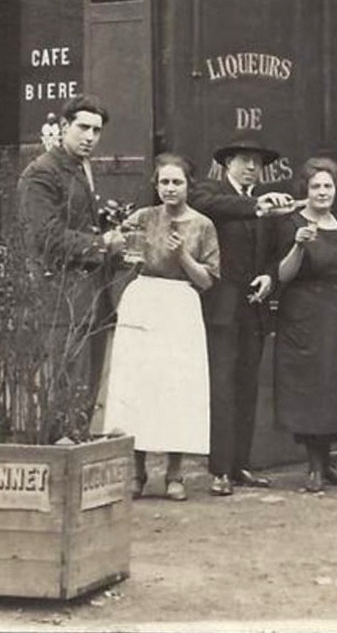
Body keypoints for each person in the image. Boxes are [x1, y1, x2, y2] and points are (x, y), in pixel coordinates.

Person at [100, 154, 219, 500]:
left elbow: (207, 281)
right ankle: (137, 473)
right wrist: (117, 245)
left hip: (180, 303)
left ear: (188, 185)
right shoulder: (142, 217)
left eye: (176, 182)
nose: (170, 188)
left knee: (175, 387)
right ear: (156, 185)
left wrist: (182, 255)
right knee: (140, 385)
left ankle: (174, 473)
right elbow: (119, 255)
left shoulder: (203, 225)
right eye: (164, 182)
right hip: (144, 300)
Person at [190, 132, 295, 496]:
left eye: (257, 162)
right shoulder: (210, 193)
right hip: (220, 310)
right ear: (227, 163)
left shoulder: (261, 203)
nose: (252, 167)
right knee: (222, 387)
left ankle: (241, 465)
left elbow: (274, 251)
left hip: (254, 309)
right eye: (244, 160)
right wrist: (258, 207)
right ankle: (219, 469)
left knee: (247, 387)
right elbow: (209, 206)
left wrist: (269, 276)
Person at [17, 95, 125, 438]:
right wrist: (101, 244)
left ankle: (75, 454)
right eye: (83, 127)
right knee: (64, 383)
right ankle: (61, 460)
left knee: (85, 386)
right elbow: (44, 236)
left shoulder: (80, 167)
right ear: (64, 127)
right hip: (60, 295)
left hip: (88, 296)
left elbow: (72, 223)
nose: (90, 136)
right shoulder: (42, 173)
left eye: (96, 130)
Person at [275, 157, 337, 492]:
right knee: (313, 389)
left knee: (336, 388)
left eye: (328, 185)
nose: (322, 192)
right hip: (306, 316)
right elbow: (283, 275)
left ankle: (328, 464)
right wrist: (298, 245)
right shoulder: (292, 224)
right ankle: (314, 466)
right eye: (315, 186)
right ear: (305, 190)